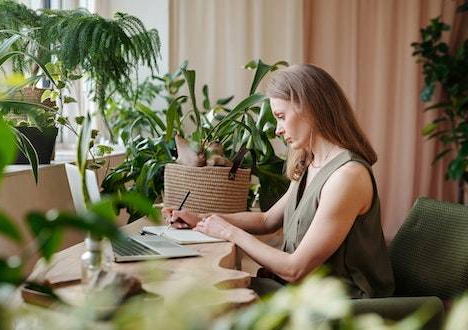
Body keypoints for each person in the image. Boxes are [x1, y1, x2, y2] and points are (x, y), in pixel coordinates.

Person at [162, 64, 395, 298]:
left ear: (311, 108)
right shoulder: (311, 162)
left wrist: (228, 232)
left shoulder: (347, 177)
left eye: (281, 117)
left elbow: (296, 269)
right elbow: (267, 220)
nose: (277, 130)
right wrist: (201, 219)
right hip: (303, 294)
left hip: (341, 306)